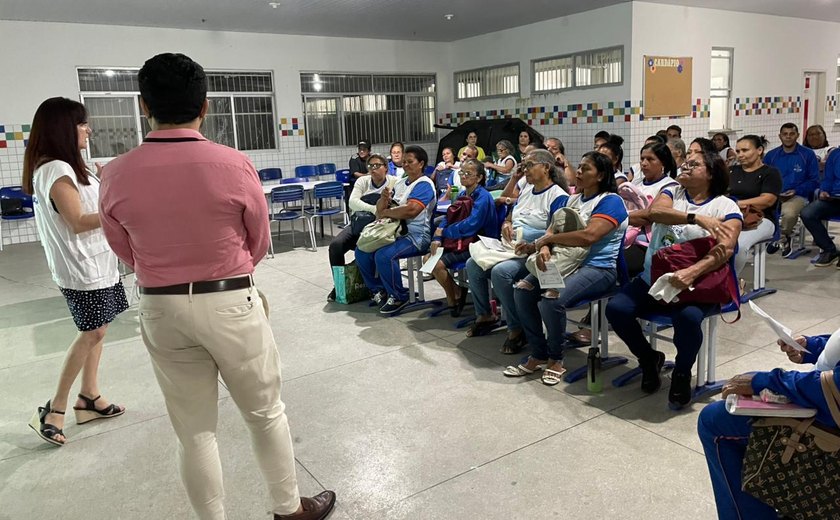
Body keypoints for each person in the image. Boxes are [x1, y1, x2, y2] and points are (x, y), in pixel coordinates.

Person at [99, 53, 335, 520]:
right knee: (265, 413)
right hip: (230, 298)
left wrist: (163, 271)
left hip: (161, 308)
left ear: (144, 106)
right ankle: (289, 510)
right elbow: (259, 238)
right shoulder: (233, 164)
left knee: (194, 431)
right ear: (204, 107)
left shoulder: (115, 173)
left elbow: (123, 249)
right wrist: (230, 273)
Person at [22, 97, 128, 447]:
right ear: (62, 129)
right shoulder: (56, 169)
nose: (88, 129)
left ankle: (90, 398)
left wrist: (103, 184)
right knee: (91, 332)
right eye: (82, 124)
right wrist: (122, 211)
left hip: (97, 263)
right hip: (82, 268)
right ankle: (55, 408)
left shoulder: (68, 166)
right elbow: (79, 222)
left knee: (99, 331)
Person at [605, 150, 742, 409]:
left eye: (695, 164)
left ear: (711, 173)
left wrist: (693, 271)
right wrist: (696, 217)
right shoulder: (672, 191)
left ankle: (681, 372)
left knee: (688, 318)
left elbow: (726, 249)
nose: (686, 167)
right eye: (686, 163)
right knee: (617, 309)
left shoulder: (726, 206)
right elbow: (656, 213)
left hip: (695, 284)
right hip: (653, 278)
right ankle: (648, 359)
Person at [506, 151, 628, 385]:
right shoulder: (574, 199)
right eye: (579, 167)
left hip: (598, 268)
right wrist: (543, 247)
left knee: (552, 299)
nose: (578, 172)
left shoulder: (611, 201)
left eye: (586, 169)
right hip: (566, 262)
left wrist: (548, 242)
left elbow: (589, 236)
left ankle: (556, 358)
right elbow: (552, 229)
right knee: (522, 290)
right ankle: (539, 353)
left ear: (601, 175)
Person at [698, 333, 840, 520]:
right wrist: (813, 347)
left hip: (829, 409)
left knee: (714, 420)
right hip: (825, 391)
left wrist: (766, 382)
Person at [465, 149, 568, 354]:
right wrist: (507, 223)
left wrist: (531, 242)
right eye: (524, 165)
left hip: (534, 251)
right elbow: (512, 216)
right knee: (472, 264)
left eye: (529, 165)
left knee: (501, 272)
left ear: (546, 168)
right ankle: (485, 315)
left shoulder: (558, 196)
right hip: (511, 245)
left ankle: (516, 328)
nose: (524, 170)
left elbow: (553, 235)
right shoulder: (528, 190)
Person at [355, 145, 436, 314]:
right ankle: (378, 290)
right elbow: (379, 210)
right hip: (395, 231)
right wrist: (383, 200)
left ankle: (398, 296)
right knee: (362, 250)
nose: (406, 164)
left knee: (384, 255)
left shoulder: (424, 185)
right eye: (404, 162)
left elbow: (411, 210)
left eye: (410, 161)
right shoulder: (400, 183)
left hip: (417, 236)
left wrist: (386, 211)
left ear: (421, 164)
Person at [429, 159, 497, 316]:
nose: (463, 176)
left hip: (480, 243)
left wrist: (444, 233)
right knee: (429, 259)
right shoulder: (461, 194)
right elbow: (449, 216)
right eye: (462, 172)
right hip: (461, 241)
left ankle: (453, 298)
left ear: (479, 177)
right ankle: (457, 292)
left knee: (437, 264)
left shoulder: (483, 197)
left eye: (468, 173)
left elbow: (472, 225)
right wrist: (438, 237)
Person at [327, 153, 394, 301]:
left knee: (366, 250)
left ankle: (368, 286)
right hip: (358, 225)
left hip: (380, 229)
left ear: (386, 168)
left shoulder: (393, 182)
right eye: (371, 166)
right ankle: (339, 285)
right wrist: (374, 209)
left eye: (378, 165)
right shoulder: (362, 181)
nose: (374, 169)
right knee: (336, 246)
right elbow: (353, 202)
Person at [763, 123, 819, 257]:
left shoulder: (807, 154)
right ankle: (769, 236)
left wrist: (796, 190)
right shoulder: (771, 155)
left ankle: (783, 237)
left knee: (788, 214)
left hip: (798, 195)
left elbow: (814, 180)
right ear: (780, 136)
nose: (788, 137)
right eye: (785, 134)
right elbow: (763, 177)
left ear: (797, 136)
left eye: (791, 134)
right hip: (775, 194)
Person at [728, 135, 782, 273]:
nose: (740, 155)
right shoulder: (732, 171)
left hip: (761, 219)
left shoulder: (770, 173)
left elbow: (767, 200)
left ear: (759, 150)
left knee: (738, 245)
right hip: (733, 215)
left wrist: (737, 203)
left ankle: (731, 285)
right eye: (738, 151)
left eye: (745, 150)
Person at [624, 142, 680, 274]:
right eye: (642, 159)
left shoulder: (670, 186)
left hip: (648, 240)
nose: (643, 163)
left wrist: (622, 216)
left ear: (663, 163)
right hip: (627, 232)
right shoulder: (635, 183)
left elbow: (649, 216)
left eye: (650, 159)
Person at [801, 148, 840, 266]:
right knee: (807, 213)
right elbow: (828, 178)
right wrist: (824, 191)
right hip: (834, 199)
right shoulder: (835, 154)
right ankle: (830, 250)